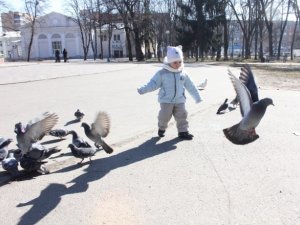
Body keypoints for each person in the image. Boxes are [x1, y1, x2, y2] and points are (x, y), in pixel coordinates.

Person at [137, 45, 202, 140]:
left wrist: (197, 97)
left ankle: (183, 132)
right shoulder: (162, 73)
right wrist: (143, 89)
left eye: (180, 61)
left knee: (182, 115)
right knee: (164, 116)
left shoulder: (183, 73)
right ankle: (162, 128)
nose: (178, 64)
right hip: (166, 100)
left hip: (180, 100)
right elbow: (153, 83)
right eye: (175, 62)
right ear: (169, 61)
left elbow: (190, 86)